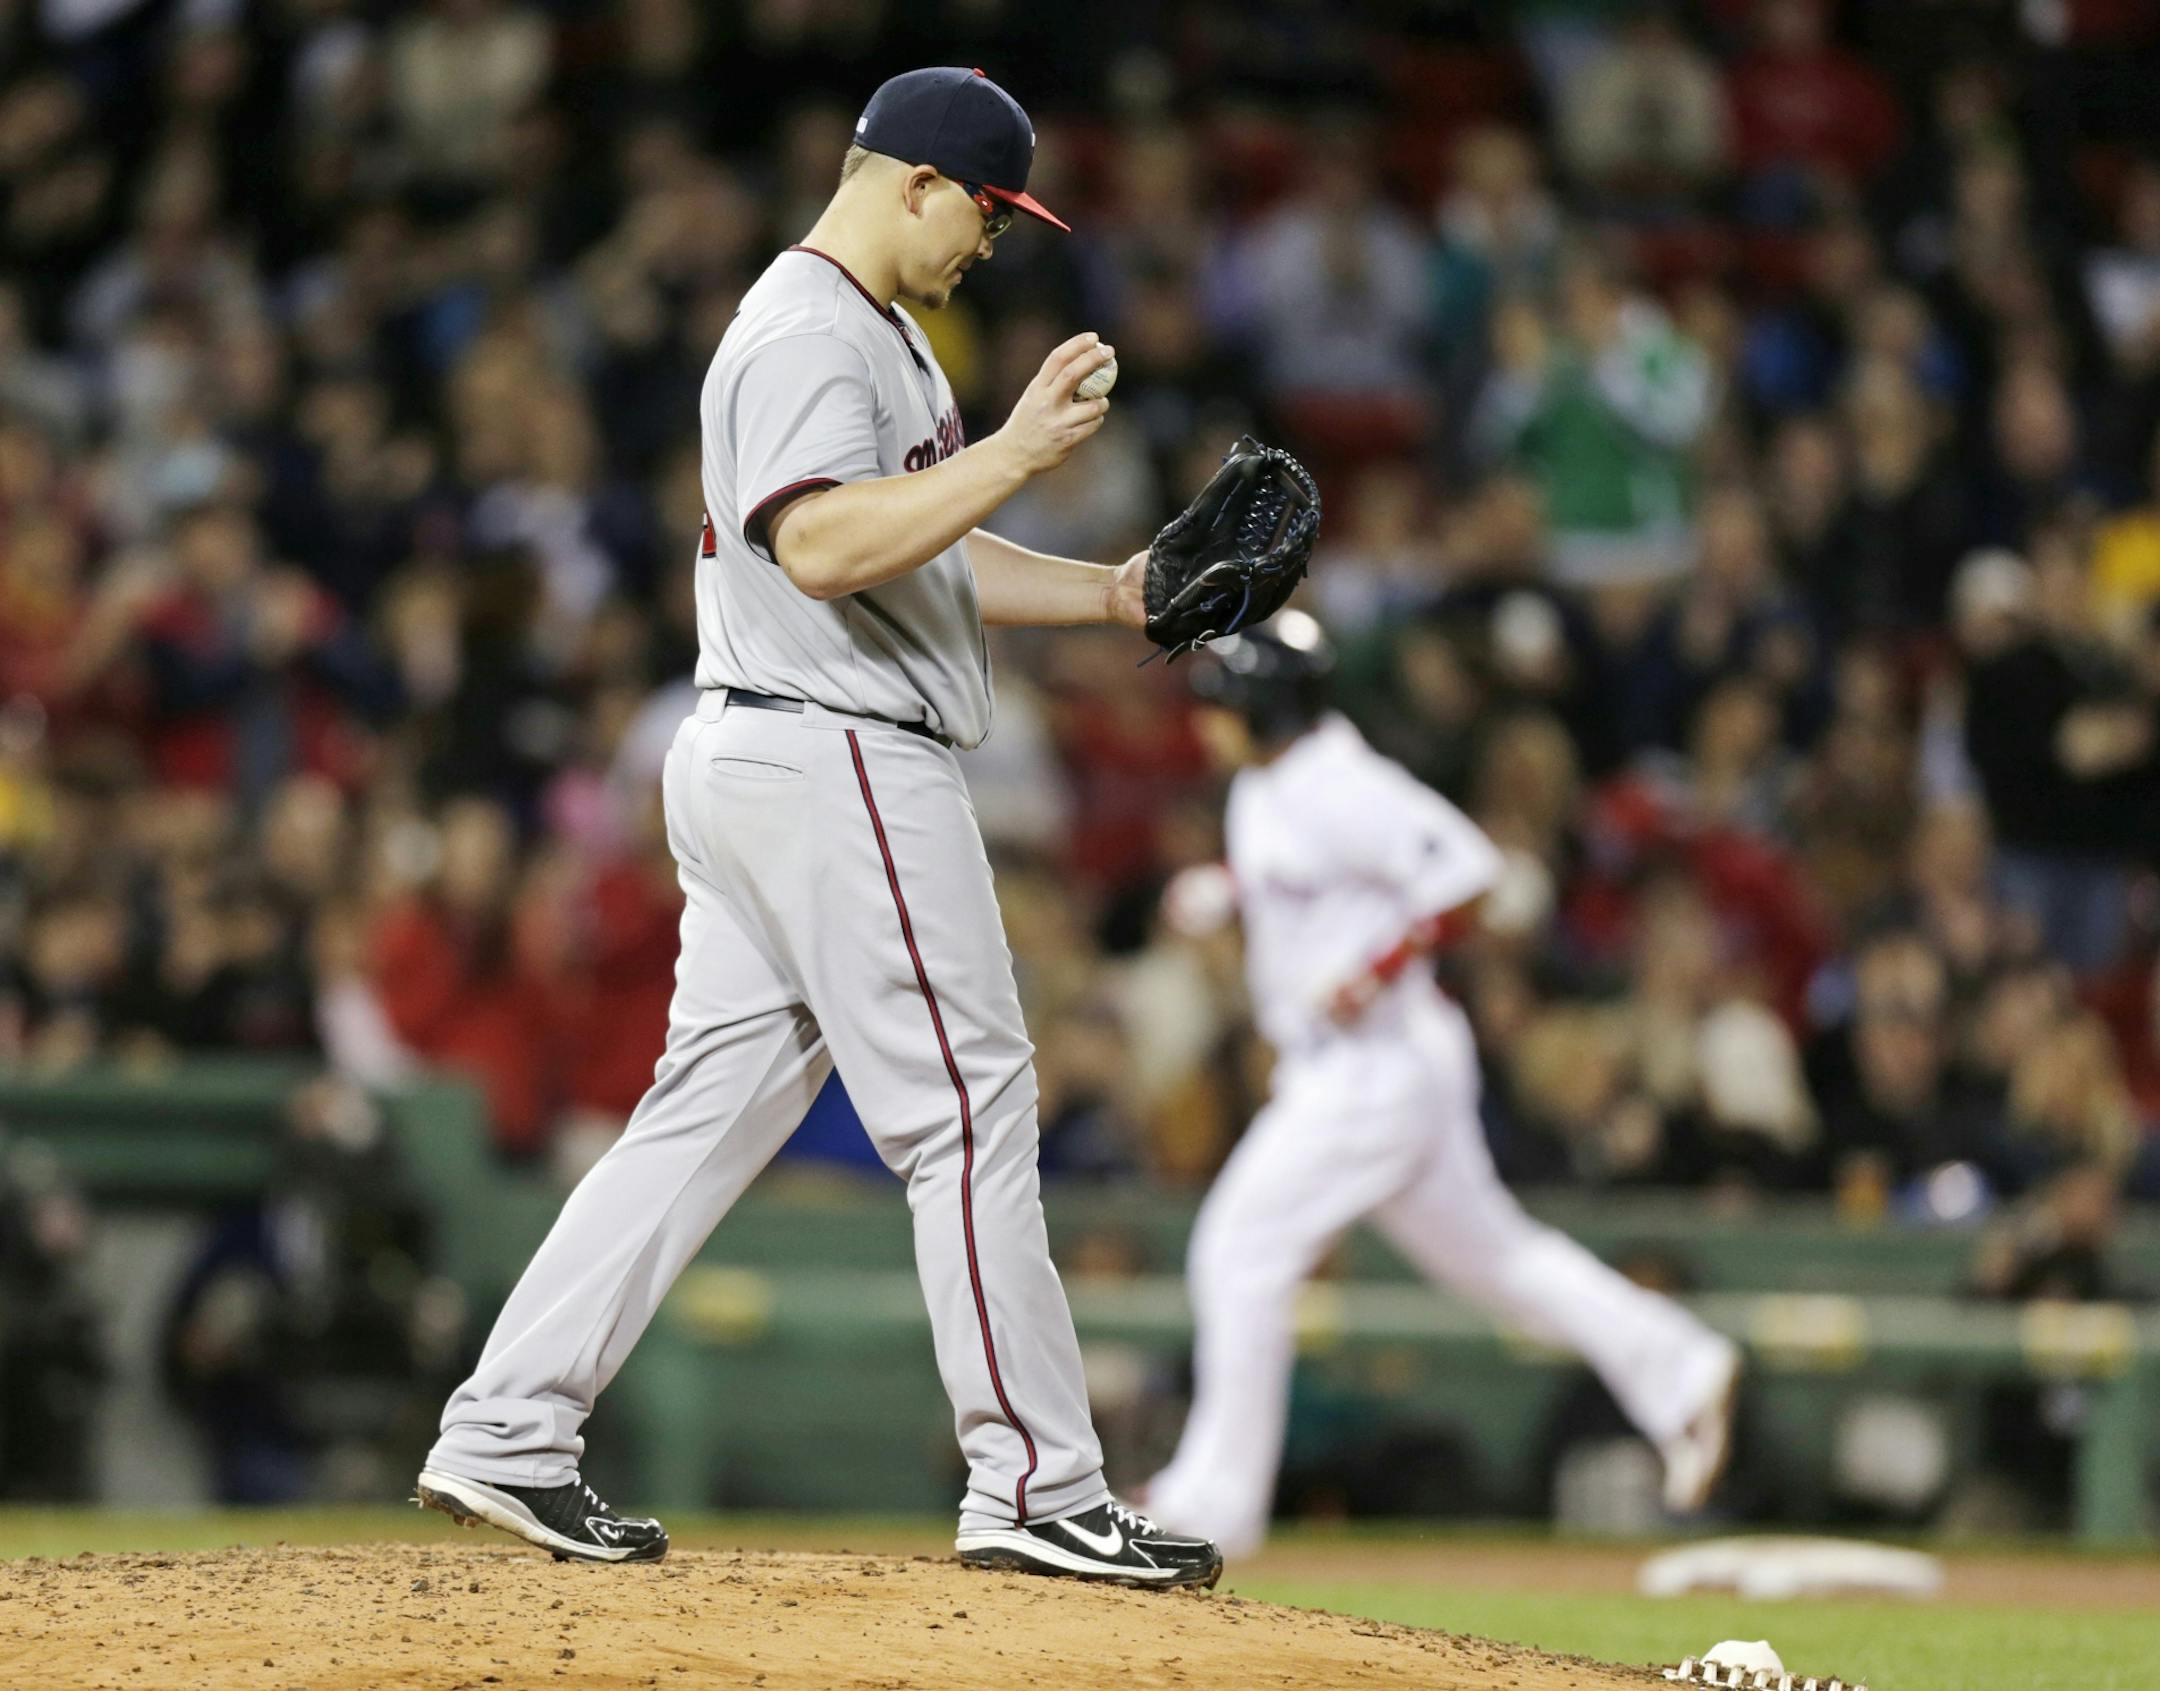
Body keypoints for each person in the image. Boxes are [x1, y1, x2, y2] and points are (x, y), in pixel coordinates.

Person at [413, 66, 1222, 1589]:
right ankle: (1036, 1480)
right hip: (834, 753)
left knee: (704, 1109)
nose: (992, 239)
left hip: (770, 752)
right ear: (912, 181)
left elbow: (925, 551)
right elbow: (828, 543)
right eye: (984, 208)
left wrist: (1109, 591)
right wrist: (1021, 447)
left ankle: (508, 1427)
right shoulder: (805, 328)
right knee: (972, 1102)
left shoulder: (871, 336)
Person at [1143, 612, 1741, 1557]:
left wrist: (1375, 966)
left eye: (1222, 703)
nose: (1207, 723)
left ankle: (1214, 1503)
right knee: (1497, 1261)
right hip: (1369, 1063)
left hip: (1375, 1067)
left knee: (1238, 1248)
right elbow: (1312, 877)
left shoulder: (1337, 780)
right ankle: (1681, 1368)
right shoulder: (1272, 782)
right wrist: (1227, 890)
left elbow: (1469, 870)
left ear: (1262, 706)